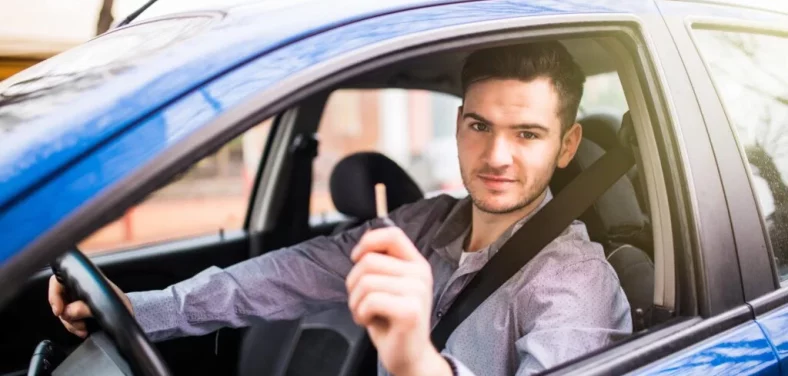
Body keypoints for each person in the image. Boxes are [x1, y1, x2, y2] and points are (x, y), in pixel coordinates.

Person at [49, 41, 631, 376]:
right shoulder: (429, 223)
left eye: (528, 133)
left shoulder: (574, 283)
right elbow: (287, 275)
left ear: (567, 146)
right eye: (480, 125)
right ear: (459, 126)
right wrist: (140, 310)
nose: (496, 155)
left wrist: (411, 359)